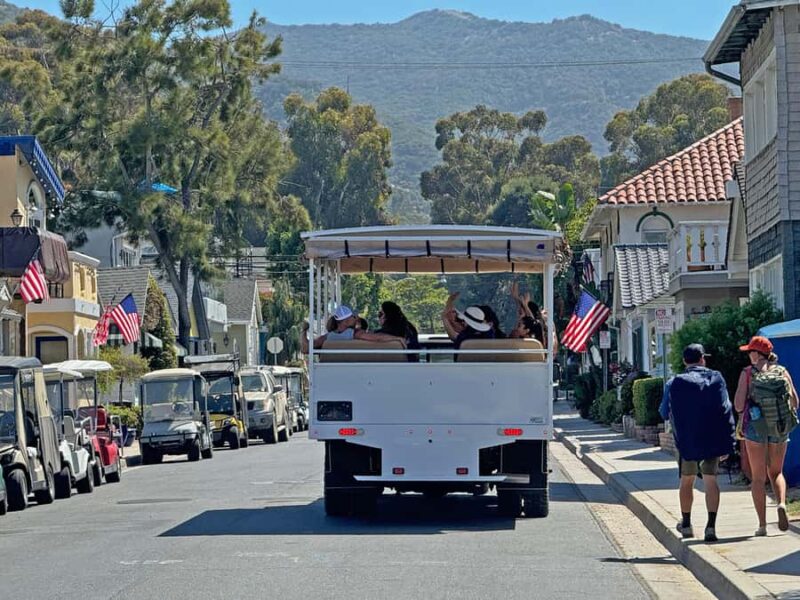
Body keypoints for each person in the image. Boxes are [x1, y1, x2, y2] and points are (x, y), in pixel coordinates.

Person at [659, 344, 735, 542]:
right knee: (711, 480)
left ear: (685, 361)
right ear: (703, 358)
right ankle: (710, 527)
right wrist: (728, 440)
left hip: (687, 440)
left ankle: (686, 524)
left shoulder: (674, 382)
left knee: (687, 481)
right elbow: (726, 408)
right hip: (712, 438)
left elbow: (663, 412)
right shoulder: (716, 378)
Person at [734, 336, 799, 535]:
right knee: (776, 472)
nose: (748, 356)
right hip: (779, 427)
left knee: (758, 478)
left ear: (757, 353)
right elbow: (795, 402)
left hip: (756, 427)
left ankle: (762, 525)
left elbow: (737, 405)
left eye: (750, 352)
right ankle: (780, 504)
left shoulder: (747, 374)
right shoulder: (782, 372)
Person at [301, 305, 403, 352]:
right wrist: (398, 339)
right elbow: (377, 338)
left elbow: (305, 349)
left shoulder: (327, 337)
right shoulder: (355, 334)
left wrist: (303, 331)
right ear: (345, 321)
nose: (356, 318)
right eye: (353, 317)